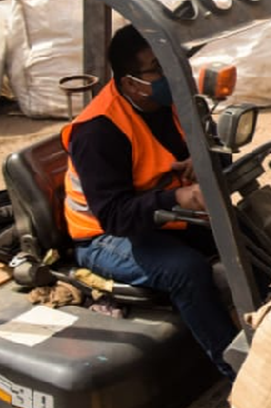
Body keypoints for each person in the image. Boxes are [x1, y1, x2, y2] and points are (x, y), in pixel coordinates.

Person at [62, 25, 237, 379]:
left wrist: (203, 161)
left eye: (173, 62)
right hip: (103, 237)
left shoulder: (177, 104)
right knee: (185, 270)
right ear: (129, 83)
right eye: (157, 68)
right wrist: (178, 196)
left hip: (162, 216)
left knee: (247, 232)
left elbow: (217, 152)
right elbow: (113, 216)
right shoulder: (98, 131)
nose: (172, 74)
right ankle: (237, 370)